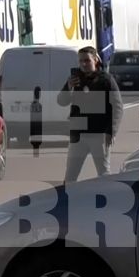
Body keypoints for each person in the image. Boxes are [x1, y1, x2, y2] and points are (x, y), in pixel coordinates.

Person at [57, 46, 123, 181]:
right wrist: (68, 87)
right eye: (81, 61)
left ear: (95, 60)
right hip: (78, 135)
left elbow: (118, 107)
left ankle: (107, 194)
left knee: (104, 174)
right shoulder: (75, 80)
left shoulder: (106, 80)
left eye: (87, 60)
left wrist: (112, 131)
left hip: (99, 135)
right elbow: (61, 101)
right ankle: (67, 195)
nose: (83, 64)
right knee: (70, 175)